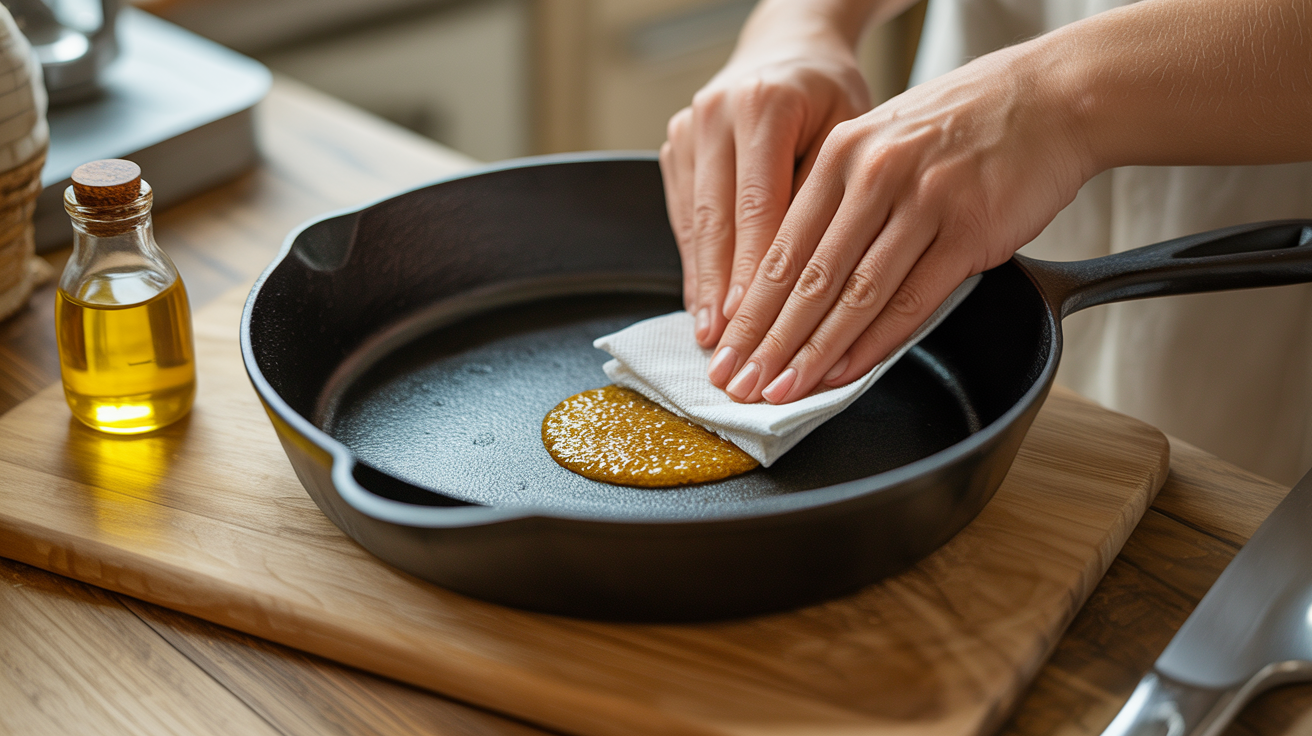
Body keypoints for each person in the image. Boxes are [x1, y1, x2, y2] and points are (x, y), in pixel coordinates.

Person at [660, 0, 1312, 483]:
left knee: (1213, 476)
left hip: (1249, 163)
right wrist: (802, 23)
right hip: (965, 128)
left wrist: (1057, 98)